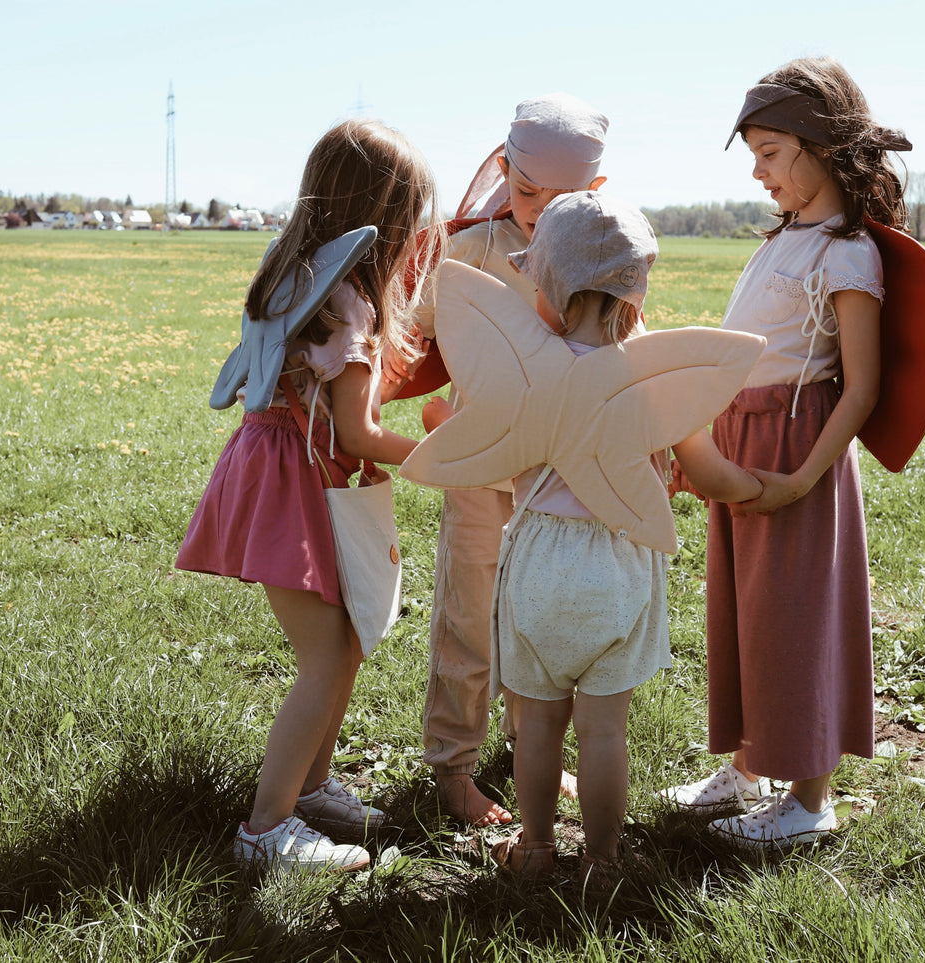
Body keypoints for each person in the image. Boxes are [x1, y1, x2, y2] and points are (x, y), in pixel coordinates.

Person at [416, 191, 764, 882]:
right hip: (619, 562)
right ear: (635, 302)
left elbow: (490, 449)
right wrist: (761, 490)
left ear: (545, 291)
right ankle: (604, 860)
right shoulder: (653, 380)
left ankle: (537, 846)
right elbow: (709, 473)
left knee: (539, 726)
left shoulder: (522, 375)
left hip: (538, 561)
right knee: (603, 731)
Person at [175, 118, 441, 874]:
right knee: (325, 659)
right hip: (293, 477)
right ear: (383, 217)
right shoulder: (348, 298)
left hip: (274, 467)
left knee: (344, 645)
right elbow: (357, 433)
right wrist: (442, 457)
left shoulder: (290, 265)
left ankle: (313, 786)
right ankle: (267, 830)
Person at [660, 56, 912, 850]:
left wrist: (803, 476)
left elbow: (862, 387)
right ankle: (748, 767)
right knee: (746, 614)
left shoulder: (845, 253)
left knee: (794, 620)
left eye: (770, 153)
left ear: (816, 145)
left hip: (795, 449)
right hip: (747, 436)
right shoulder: (787, 238)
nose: (760, 173)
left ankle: (809, 799)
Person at [413, 93, 610, 827]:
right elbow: (419, 339)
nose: (536, 210)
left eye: (558, 198)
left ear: (592, 192)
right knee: (468, 613)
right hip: (474, 465)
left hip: (551, 477)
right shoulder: (469, 251)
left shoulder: (599, 250)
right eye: (525, 191)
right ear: (502, 169)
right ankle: (452, 767)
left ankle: (533, 744)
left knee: (536, 615)